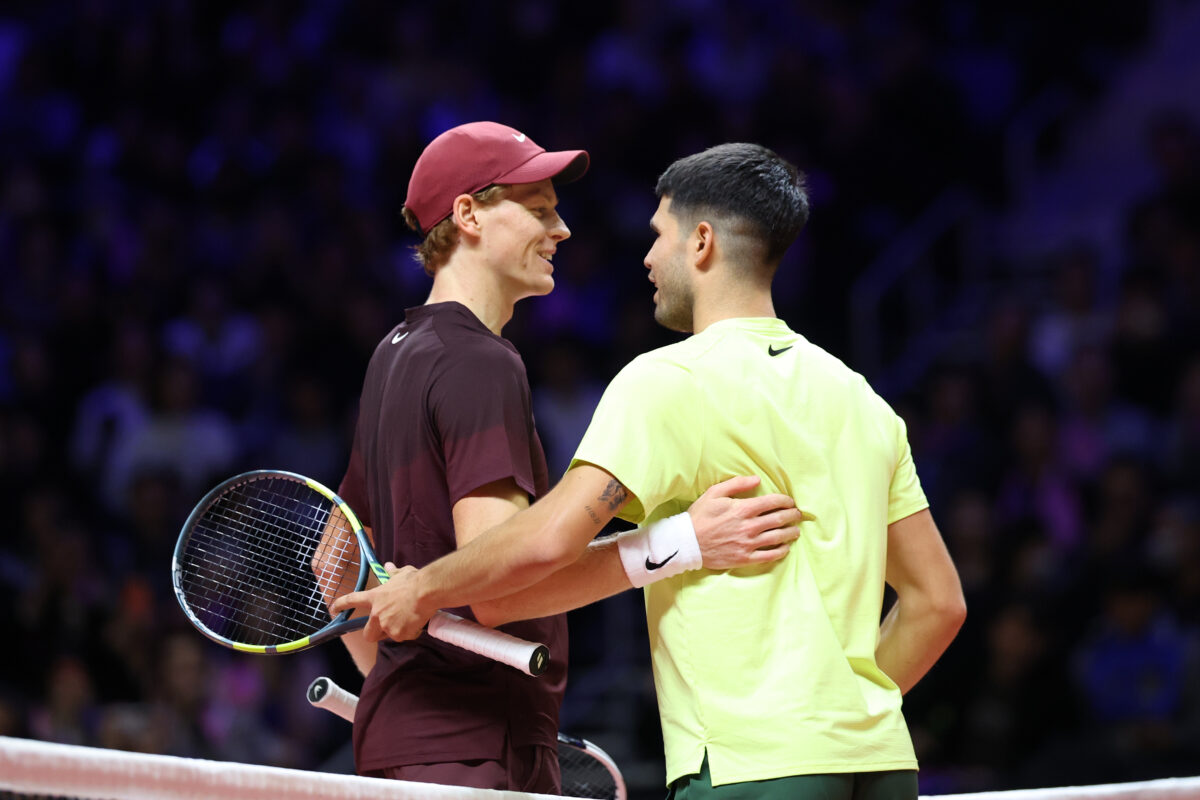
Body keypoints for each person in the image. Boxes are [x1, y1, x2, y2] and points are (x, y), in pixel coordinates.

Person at [334, 141, 967, 799]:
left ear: (701, 242)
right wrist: (836, 718)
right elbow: (939, 603)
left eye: (658, 235)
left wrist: (422, 594)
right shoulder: (865, 402)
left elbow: (534, 554)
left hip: (748, 764)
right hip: (880, 759)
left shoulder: (666, 380)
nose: (645, 257)